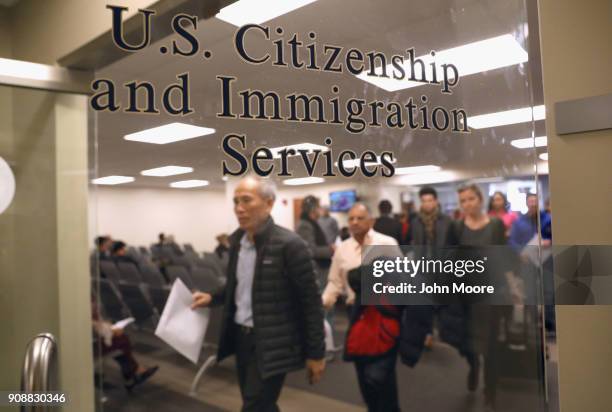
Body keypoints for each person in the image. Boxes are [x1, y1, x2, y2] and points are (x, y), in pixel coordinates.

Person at [191, 176, 325, 412]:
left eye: (246, 200)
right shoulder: (237, 243)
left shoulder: (290, 245)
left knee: (254, 405)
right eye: (235, 202)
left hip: (272, 343)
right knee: (259, 403)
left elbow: (311, 303)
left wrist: (316, 353)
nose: (239, 209)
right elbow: (238, 284)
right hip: (242, 338)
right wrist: (212, 297)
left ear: (269, 203)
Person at [323, 203, 404, 411]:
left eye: (360, 218)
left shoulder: (387, 244)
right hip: (356, 316)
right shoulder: (343, 249)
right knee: (364, 375)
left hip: (384, 315)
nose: (355, 222)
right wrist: (326, 300)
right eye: (351, 219)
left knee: (382, 376)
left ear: (371, 221)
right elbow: (335, 281)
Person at [444, 184, 517, 412]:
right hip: (465, 294)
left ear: (480, 199)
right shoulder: (456, 227)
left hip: (491, 291)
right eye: (463, 201)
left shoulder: (495, 225)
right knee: (467, 340)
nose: (467, 204)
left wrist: (512, 285)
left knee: (492, 343)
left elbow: (503, 256)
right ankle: (473, 365)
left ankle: (490, 388)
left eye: (471, 199)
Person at [409, 186, 453, 350]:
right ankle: (427, 333)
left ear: (436, 201)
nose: (427, 204)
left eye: (430, 200)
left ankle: (443, 332)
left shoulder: (446, 221)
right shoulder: (416, 222)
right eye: (424, 201)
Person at [92, 298, 158, 390]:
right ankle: (133, 373)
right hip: (91, 346)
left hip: (93, 340)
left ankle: (132, 373)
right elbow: (92, 327)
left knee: (119, 342)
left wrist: (108, 327)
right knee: (122, 341)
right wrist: (113, 331)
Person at [296, 195, 334, 288]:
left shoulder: (313, 223)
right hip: (316, 270)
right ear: (313, 209)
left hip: (321, 269)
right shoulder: (305, 225)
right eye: (319, 207)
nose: (320, 210)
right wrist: (330, 250)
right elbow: (310, 250)